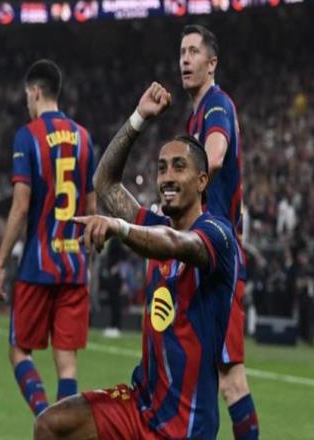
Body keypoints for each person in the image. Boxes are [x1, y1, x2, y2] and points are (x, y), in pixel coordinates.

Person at [34, 82, 238, 439]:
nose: (167, 177)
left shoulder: (217, 235)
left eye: (179, 167)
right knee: (51, 426)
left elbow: (172, 244)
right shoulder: (155, 224)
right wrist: (139, 118)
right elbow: (104, 183)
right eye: (162, 168)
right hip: (139, 406)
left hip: (187, 427)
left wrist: (120, 226)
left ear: (202, 180)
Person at [0, 59, 96, 416]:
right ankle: (63, 431)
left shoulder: (28, 136)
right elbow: (91, 209)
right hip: (73, 267)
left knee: (19, 350)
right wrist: (85, 257)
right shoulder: (84, 137)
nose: (27, 102)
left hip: (38, 266)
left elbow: (20, 207)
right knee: (67, 364)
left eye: (26, 96)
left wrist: (0, 263)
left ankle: (44, 418)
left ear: (35, 92)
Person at [180, 24, 259, 439]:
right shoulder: (193, 114)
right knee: (199, 375)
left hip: (219, 256)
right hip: (202, 253)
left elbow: (213, 156)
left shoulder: (216, 105)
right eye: (182, 53)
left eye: (194, 52)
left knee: (230, 379)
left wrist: (176, 197)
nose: (185, 60)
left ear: (212, 63)